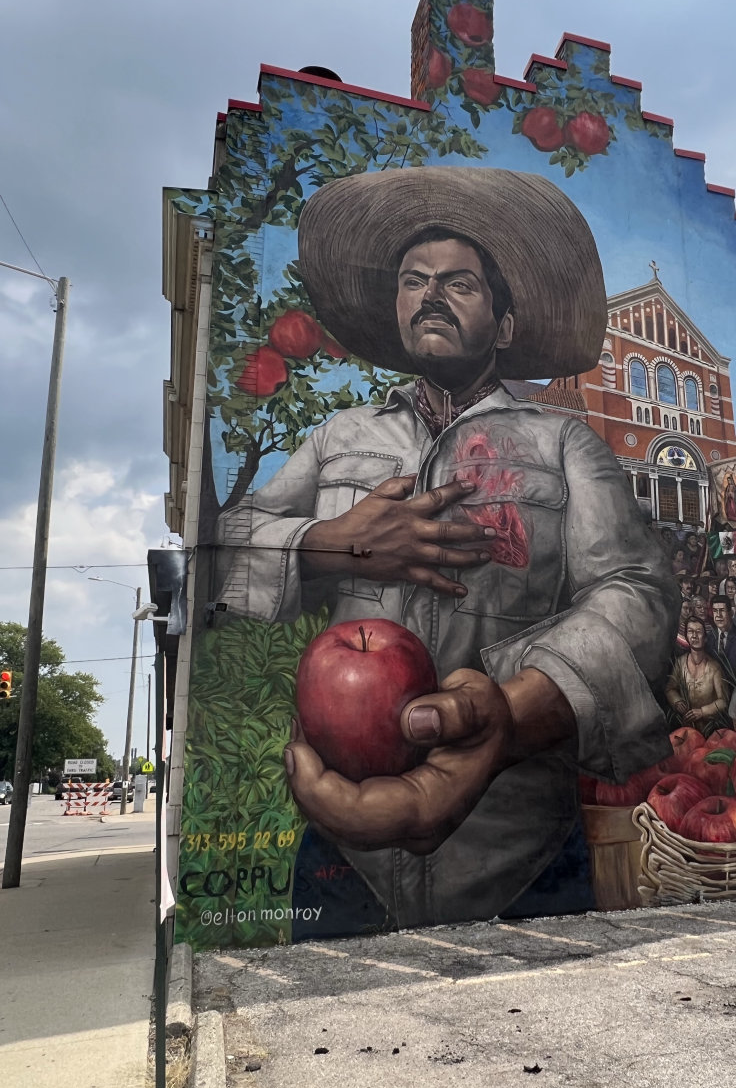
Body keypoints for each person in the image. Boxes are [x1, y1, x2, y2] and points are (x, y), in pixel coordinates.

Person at [215, 166, 679, 930]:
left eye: (459, 283)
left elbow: (638, 593)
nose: (430, 294)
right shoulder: (339, 438)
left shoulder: (563, 441)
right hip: (342, 854)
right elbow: (224, 546)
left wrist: (511, 713)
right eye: (413, 280)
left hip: (520, 856)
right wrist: (334, 545)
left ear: (502, 322)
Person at [666, 617, 729, 728]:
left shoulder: (714, 667)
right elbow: (670, 689)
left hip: (711, 728)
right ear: (686, 636)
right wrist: (677, 701)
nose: (694, 635)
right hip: (686, 726)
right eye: (690, 631)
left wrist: (702, 712)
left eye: (698, 632)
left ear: (705, 638)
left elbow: (723, 701)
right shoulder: (680, 662)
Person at [708, 596, 736, 681]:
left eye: (722, 610)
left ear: (731, 613)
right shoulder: (709, 637)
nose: (718, 615)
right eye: (715, 611)